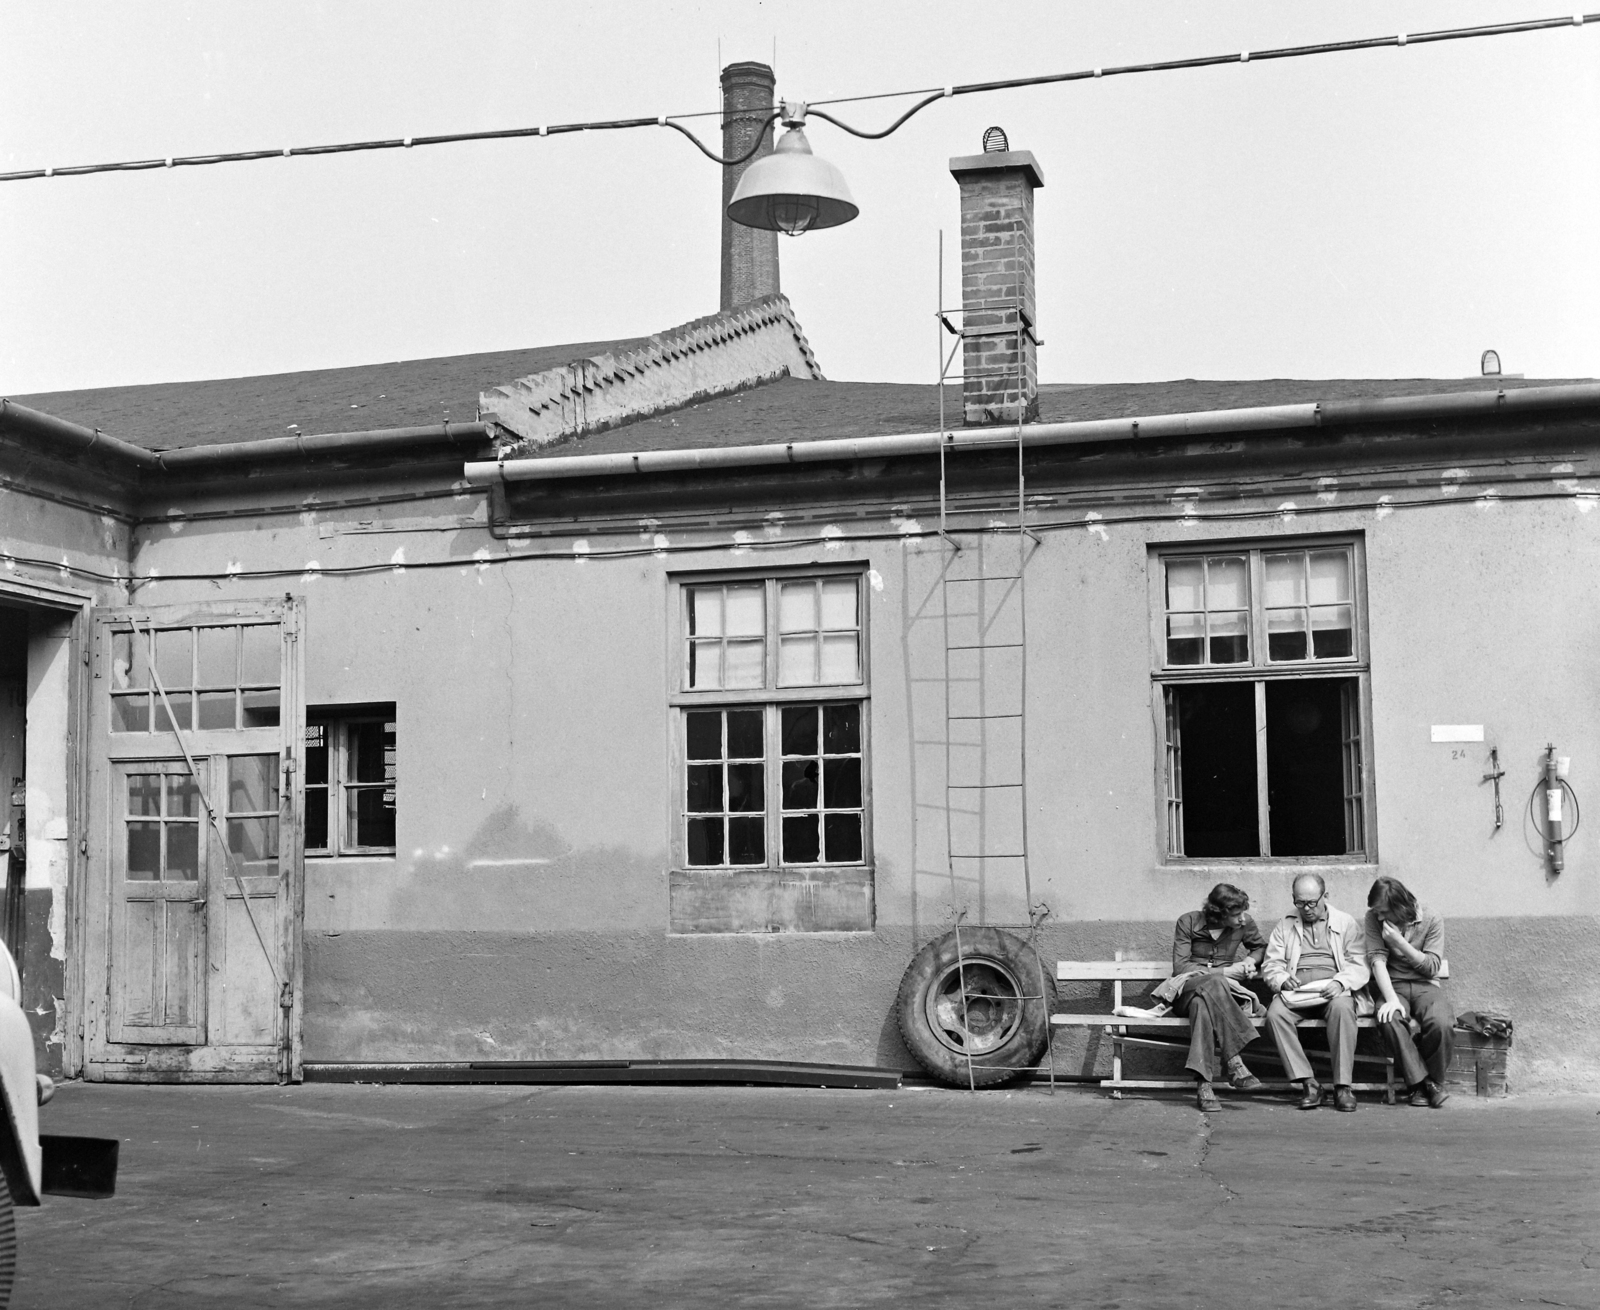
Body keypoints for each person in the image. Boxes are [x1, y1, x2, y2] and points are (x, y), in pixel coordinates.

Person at [1261, 873, 1371, 1112]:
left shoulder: (1345, 922)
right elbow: (1271, 964)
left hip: (1332, 991)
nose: (1306, 909)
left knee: (1343, 1009)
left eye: (1312, 902)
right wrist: (1281, 980)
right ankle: (1309, 1083)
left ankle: (1342, 1087)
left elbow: (1360, 962)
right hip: (1298, 993)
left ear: (1326, 896)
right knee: (1275, 1015)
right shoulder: (1286, 924)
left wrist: (1341, 982)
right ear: (1293, 899)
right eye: (1300, 903)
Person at [1164, 883, 1269, 1112]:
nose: (1243, 919)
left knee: (1202, 1006)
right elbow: (1180, 967)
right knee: (1215, 982)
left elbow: (1260, 947)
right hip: (1186, 990)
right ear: (1220, 914)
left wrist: (1250, 961)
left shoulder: (1245, 923)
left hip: (1213, 999)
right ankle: (1234, 1060)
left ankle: (1205, 1087)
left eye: (1243, 912)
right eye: (1236, 914)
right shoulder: (1188, 922)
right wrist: (1225, 972)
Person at [1365, 876, 1453, 1108]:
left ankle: (1426, 1083)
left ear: (1400, 907)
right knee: (1388, 1017)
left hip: (1426, 985)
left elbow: (1432, 967)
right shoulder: (1373, 917)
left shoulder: (1432, 918)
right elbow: (1377, 960)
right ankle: (1424, 1085)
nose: (1380, 917)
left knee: (1441, 1022)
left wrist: (1400, 943)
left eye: (1384, 911)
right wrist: (1392, 999)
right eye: (1377, 912)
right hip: (1393, 986)